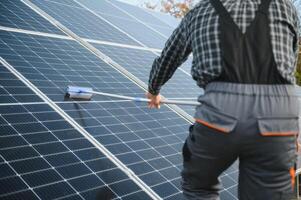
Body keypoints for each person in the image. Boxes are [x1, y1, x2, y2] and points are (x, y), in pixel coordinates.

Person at [146, 0, 300, 199]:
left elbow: (169, 57)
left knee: (199, 187)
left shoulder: (199, 11)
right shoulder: (285, 7)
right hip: (279, 114)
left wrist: (153, 89)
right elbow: (290, 60)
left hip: (220, 113)